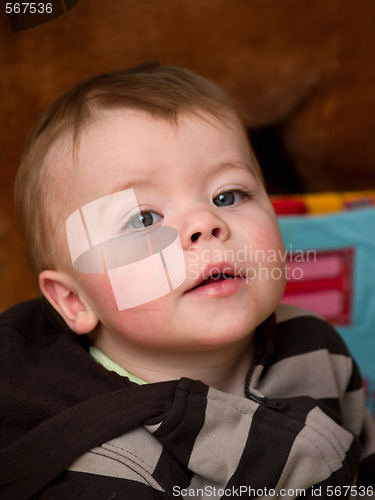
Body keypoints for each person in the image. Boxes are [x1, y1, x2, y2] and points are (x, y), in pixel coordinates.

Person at [1, 62, 374, 499]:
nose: (205, 221)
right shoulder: (93, 463)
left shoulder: (314, 347)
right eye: (143, 219)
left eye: (227, 195)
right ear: (74, 300)